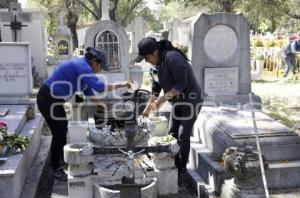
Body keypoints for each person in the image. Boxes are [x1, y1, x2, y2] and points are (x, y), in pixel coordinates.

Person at [37, 47, 132, 181]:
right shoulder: (81, 65)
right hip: (47, 98)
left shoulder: (83, 69)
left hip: (54, 100)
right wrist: (122, 84)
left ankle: (58, 163)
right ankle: (55, 168)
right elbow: (99, 87)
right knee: (59, 133)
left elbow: (88, 92)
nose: (100, 69)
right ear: (94, 61)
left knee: (62, 130)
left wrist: (102, 105)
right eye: (100, 66)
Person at [134, 37, 203, 175]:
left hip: (191, 101)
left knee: (183, 135)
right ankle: (173, 162)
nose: (146, 61)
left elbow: (181, 84)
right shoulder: (155, 66)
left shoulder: (172, 58)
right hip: (177, 102)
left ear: (155, 52)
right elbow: (155, 89)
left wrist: (161, 100)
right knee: (172, 132)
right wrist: (146, 110)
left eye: (147, 58)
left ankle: (182, 168)